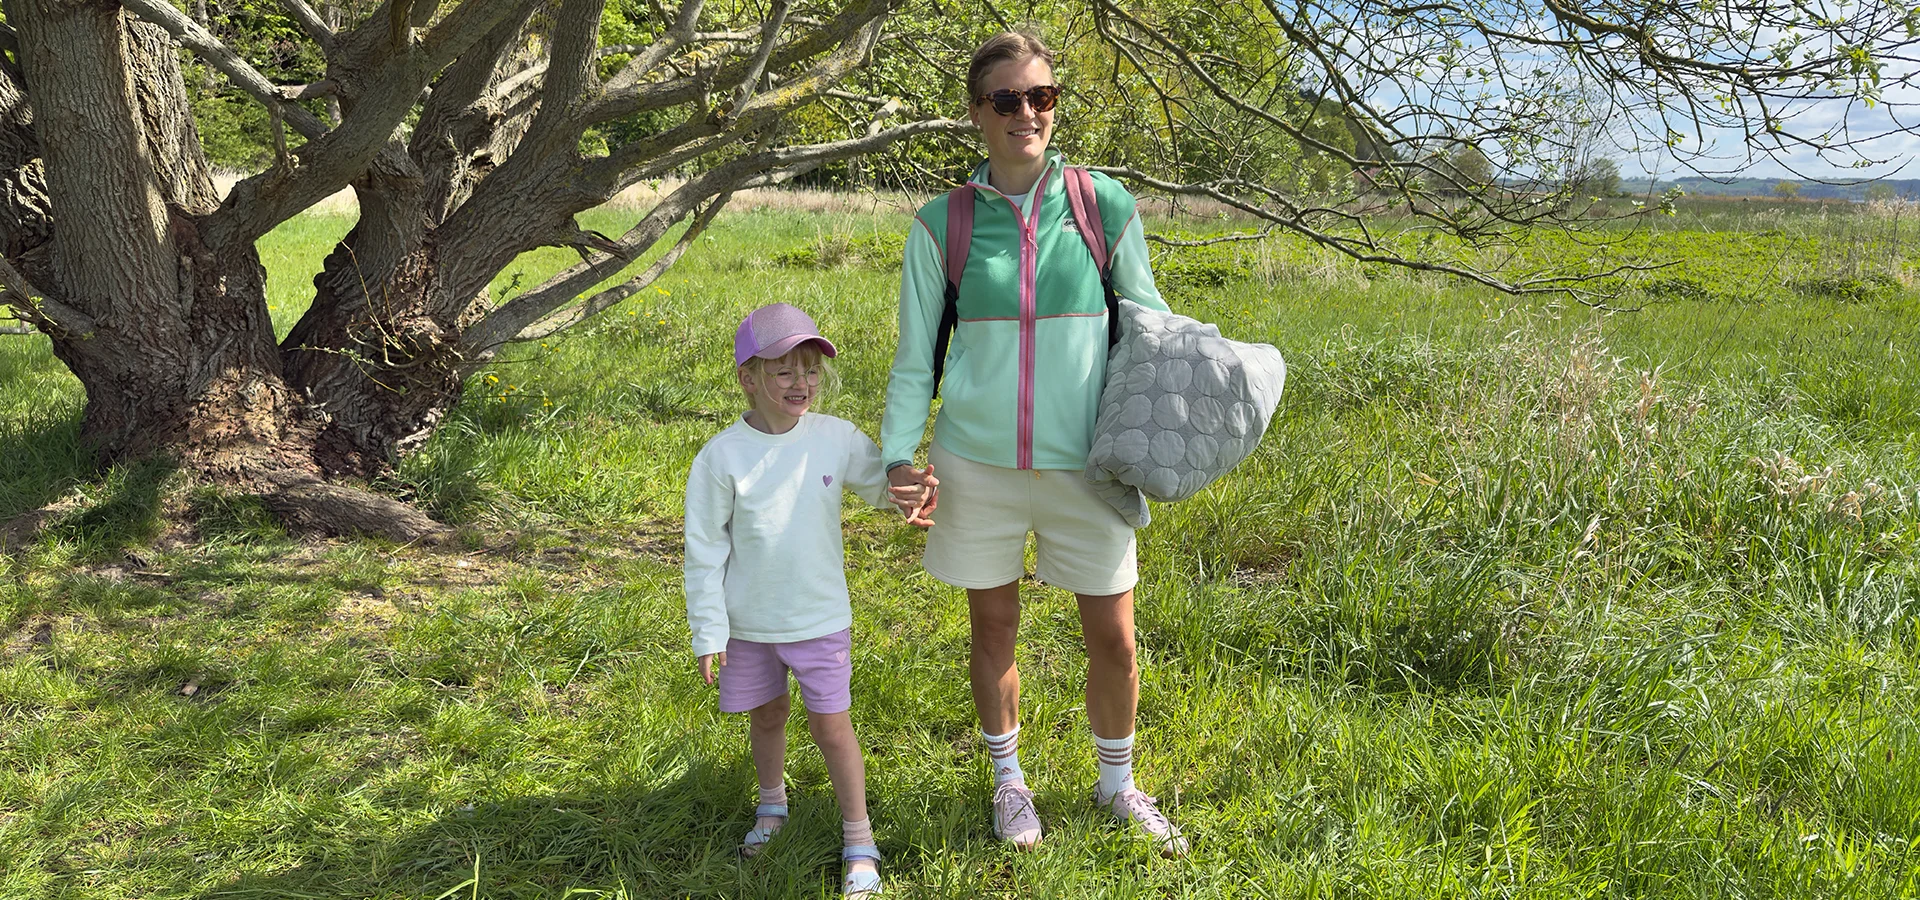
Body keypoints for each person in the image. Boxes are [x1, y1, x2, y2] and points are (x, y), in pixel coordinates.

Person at [879, 31, 1187, 857]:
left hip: (1087, 463)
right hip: (975, 464)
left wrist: (1209, 387)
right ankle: (1009, 783)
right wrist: (900, 457)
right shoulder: (941, 223)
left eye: (1042, 97)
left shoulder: (1102, 204)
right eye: (1008, 99)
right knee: (994, 629)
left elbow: (1150, 322)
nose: (1028, 113)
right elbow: (915, 357)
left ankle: (1118, 784)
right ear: (977, 113)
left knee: (1115, 637)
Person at [684, 302, 937, 897]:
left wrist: (911, 492)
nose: (802, 384)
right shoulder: (721, 457)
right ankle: (771, 806)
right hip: (749, 624)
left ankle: (859, 837)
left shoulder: (835, 438)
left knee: (832, 726)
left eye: (811, 371)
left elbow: (882, 486)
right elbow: (704, 553)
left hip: (820, 619)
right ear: (747, 377)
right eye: (783, 371)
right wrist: (709, 632)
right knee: (767, 715)